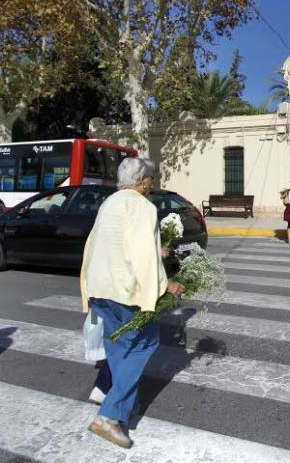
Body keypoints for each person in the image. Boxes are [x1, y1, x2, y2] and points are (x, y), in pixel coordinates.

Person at [80, 157, 184, 449]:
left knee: (118, 349)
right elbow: (143, 257)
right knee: (144, 345)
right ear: (142, 182)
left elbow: (95, 244)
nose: (151, 184)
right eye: (149, 179)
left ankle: (119, 399)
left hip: (101, 288)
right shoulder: (143, 207)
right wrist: (165, 286)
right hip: (127, 293)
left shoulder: (109, 203)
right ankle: (110, 415)